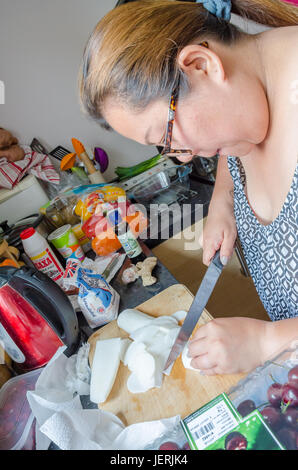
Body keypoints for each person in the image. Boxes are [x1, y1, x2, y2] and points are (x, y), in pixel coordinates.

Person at [79, 0, 298, 375]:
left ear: (201, 65)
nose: (182, 158)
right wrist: (223, 199)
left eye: (166, 135)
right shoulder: (249, 98)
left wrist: (268, 341)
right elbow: (238, 143)